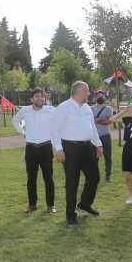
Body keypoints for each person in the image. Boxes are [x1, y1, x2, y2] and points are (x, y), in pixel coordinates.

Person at [51, 81, 103, 225]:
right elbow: (54, 129)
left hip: (88, 147)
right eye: (87, 91)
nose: (89, 93)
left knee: (94, 177)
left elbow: (92, 127)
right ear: (79, 91)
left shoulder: (86, 107)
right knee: (72, 182)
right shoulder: (64, 107)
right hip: (70, 148)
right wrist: (58, 149)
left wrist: (98, 144)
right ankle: (70, 214)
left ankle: (85, 204)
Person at [13, 88, 57, 213]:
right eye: (37, 96)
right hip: (31, 149)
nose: (40, 98)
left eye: (42, 96)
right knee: (31, 179)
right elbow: (15, 121)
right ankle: (32, 205)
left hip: (46, 148)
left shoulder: (51, 110)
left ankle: (51, 205)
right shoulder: (25, 110)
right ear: (32, 99)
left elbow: (63, 116)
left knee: (48, 178)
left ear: (45, 98)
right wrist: (23, 132)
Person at [92, 90, 115, 182]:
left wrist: (96, 119)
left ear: (105, 97)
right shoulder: (91, 108)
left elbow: (109, 121)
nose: (100, 97)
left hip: (106, 136)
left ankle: (108, 176)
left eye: (102, 96)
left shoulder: (108, 109)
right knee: (94, 158)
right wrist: (103, 119)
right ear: (95, 98)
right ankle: (95, 176)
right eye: (98, 96)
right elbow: (91, 121)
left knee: (108, 157)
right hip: (94, 137)